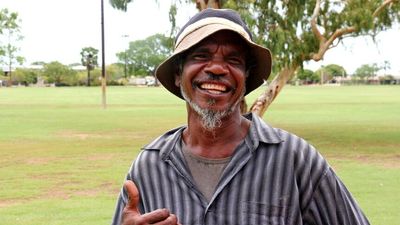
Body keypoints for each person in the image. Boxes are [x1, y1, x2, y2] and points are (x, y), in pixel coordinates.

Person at [111, 8, 370, 225]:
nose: (216, 68)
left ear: (246, 79)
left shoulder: (295, 159)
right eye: (201, 56)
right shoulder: (148, 166)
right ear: (178, 74)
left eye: (233, 60)